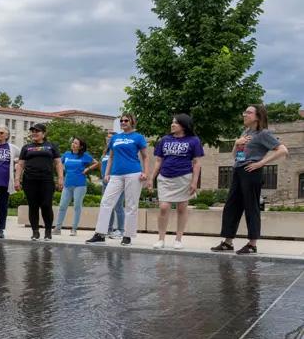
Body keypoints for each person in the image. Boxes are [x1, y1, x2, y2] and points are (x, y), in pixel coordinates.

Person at [211, 104, 289, 254]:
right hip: (239, 170)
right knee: (231, 206)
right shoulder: (246, 132)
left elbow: (283, 150)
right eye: (244, 112)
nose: (244, 115)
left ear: (258, 116)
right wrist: (236, 144)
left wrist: (260, 163)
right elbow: (238, 157)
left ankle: (252, 244)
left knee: (251, 207)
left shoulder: (263, 134)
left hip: (252, 172)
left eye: (248, 112)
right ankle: (228, 242)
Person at [86, 113, 150, 246]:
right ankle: (100, 234)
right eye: (121, 121)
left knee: (131, 205)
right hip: (116, 175)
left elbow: (145, 156)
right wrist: (107, 174)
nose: (123, 122)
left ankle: (127, 236)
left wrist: (146, 172)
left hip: (133, 173)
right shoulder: (115, 138)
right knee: (106, 202)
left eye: (126, 120)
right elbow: (110, 157)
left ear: (132, 122)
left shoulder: (138, 137)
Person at [152, 114, 204, 250]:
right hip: (165, 177)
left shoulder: (194, 140)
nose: (172, 124)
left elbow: (197, 163)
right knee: (163, 207)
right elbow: (158, 160)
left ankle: (178, 239)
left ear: (184, 125)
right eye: (172, 122)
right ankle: (160, 239)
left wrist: (194, 182)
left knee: (182, 208)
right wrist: (152, 178)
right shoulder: (164, 139)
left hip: (184, 177)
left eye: (175, 123)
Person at [15, 123, 63, 241]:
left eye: (37, 131)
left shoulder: (51, 146)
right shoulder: (26, 147)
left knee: (46, 205)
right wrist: (17, 180)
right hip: (29, 180)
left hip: (46, 180)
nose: (34, 133)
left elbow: (58, 163)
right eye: (33, 131)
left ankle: (48, 231)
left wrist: (61, 178)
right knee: (33, 206)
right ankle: (35, 231)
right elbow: (20, 164)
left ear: (44, 133)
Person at [54, 137, 95, 236]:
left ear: (80, 146)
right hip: (67, 185)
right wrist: (60, 177)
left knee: (77, 206)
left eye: (76, 143)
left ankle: (74, 229)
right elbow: (59, 164)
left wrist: (87, 169)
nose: (73, 144)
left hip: (80, 185)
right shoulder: (67, 154)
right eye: (73, 142)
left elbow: (96, 162)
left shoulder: (85, 156)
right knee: (62, 206)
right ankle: (57, 228)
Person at [100, 132, 125, 239]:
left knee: (118, 206)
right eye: (107, 138)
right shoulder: (105, 153)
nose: (108, 140)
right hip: (105, 183)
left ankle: (121, 230)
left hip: (116, 182)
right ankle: (108, 229)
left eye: (110, 138)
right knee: (107, 206)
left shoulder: (118, 151)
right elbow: (102, 166)